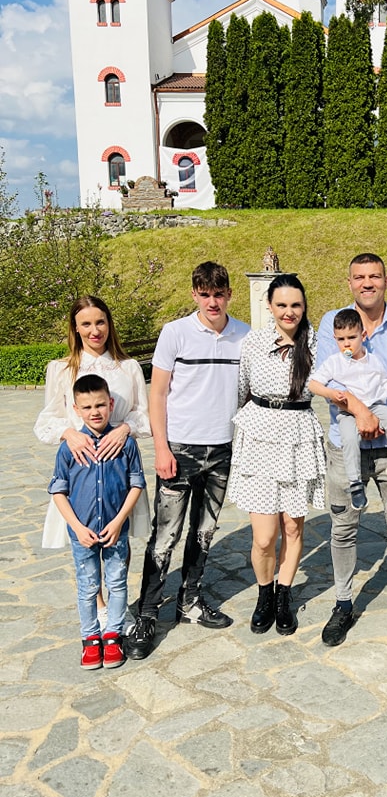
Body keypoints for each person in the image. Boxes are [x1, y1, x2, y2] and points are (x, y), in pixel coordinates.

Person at [125, 261, 250, 660]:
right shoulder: (175, 332)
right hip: (180, 450)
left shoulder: (244, 335)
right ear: (194, 294)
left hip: (222, 449)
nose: (213, 302)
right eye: (205, 294)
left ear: (229, 294)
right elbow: (158, 394)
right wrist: (161, 449)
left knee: (204, 532)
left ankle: (189, 601)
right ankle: (147, 612)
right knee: (165, 535)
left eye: (219, 294)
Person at [316, 253, 387, 649]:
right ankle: (343, 603)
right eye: (359, 277)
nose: (367, 283)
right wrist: (361, 412)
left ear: (386, 280)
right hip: (345, 444)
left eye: (375, 276)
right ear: (349, 282)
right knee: (343, 529)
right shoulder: (333, 324)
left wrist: (386, 419)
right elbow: (328, 385)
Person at [34, 295, 151, 625]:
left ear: (109, 324)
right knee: (86, 539)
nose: (94, 330)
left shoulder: (127, 367)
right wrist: (69, 434)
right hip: (81, 466)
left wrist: (125, 429)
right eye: (85, 324)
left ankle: (117, 604)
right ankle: (98, 605)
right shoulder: (61, 369)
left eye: (100, 322)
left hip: (118, 464)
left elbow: (145, 416)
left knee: (118, 535)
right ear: (75, 328)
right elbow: (47, 420)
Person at [228, 273, 325, 636]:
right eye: (281, 304)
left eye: (296, 305)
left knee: (293, 527)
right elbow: (241, 390)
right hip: (260, 439)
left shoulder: (316, 342)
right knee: (264, 537)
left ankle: (284, 596)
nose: (289, 312)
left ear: (304, 306)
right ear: (269, 306)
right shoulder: (253, 342)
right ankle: (264, 593)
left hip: (298, 436)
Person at [48, 374, 146, 670]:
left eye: (100, 405)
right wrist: (77, 528)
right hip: (83, 533)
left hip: (115, 530)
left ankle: (113, 634)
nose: (95, 412)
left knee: (117, 582)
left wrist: (118, 521)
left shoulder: (126, 445)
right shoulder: (69, 448)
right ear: (76, 409)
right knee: (88, 586)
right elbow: (58, 491)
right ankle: (90, 638)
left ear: (110, 404)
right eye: (87, 407)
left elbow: (136, 484)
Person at [309, 308, 387, 509]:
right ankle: (355, 483)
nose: (346, 344)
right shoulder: (334, 362)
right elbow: (313, 384)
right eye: (341, 339)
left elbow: (384, 385)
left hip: (375, 405)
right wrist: (331, 393)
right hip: (348, 413)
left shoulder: (373, 360)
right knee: (350, 438)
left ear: (363, 336)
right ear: (335, 339)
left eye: (352, 337)